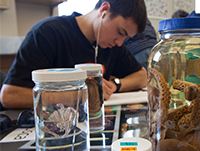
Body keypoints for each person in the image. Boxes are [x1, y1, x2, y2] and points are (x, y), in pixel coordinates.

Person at [0, 0, 148, 109]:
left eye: (126, 38)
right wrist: (76, 96)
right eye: (120, 32)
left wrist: (115, 85)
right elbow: (9, 96)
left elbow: (142, 76)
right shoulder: (47, 33)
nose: (119, 42)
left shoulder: (111, 45)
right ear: (104, 10)